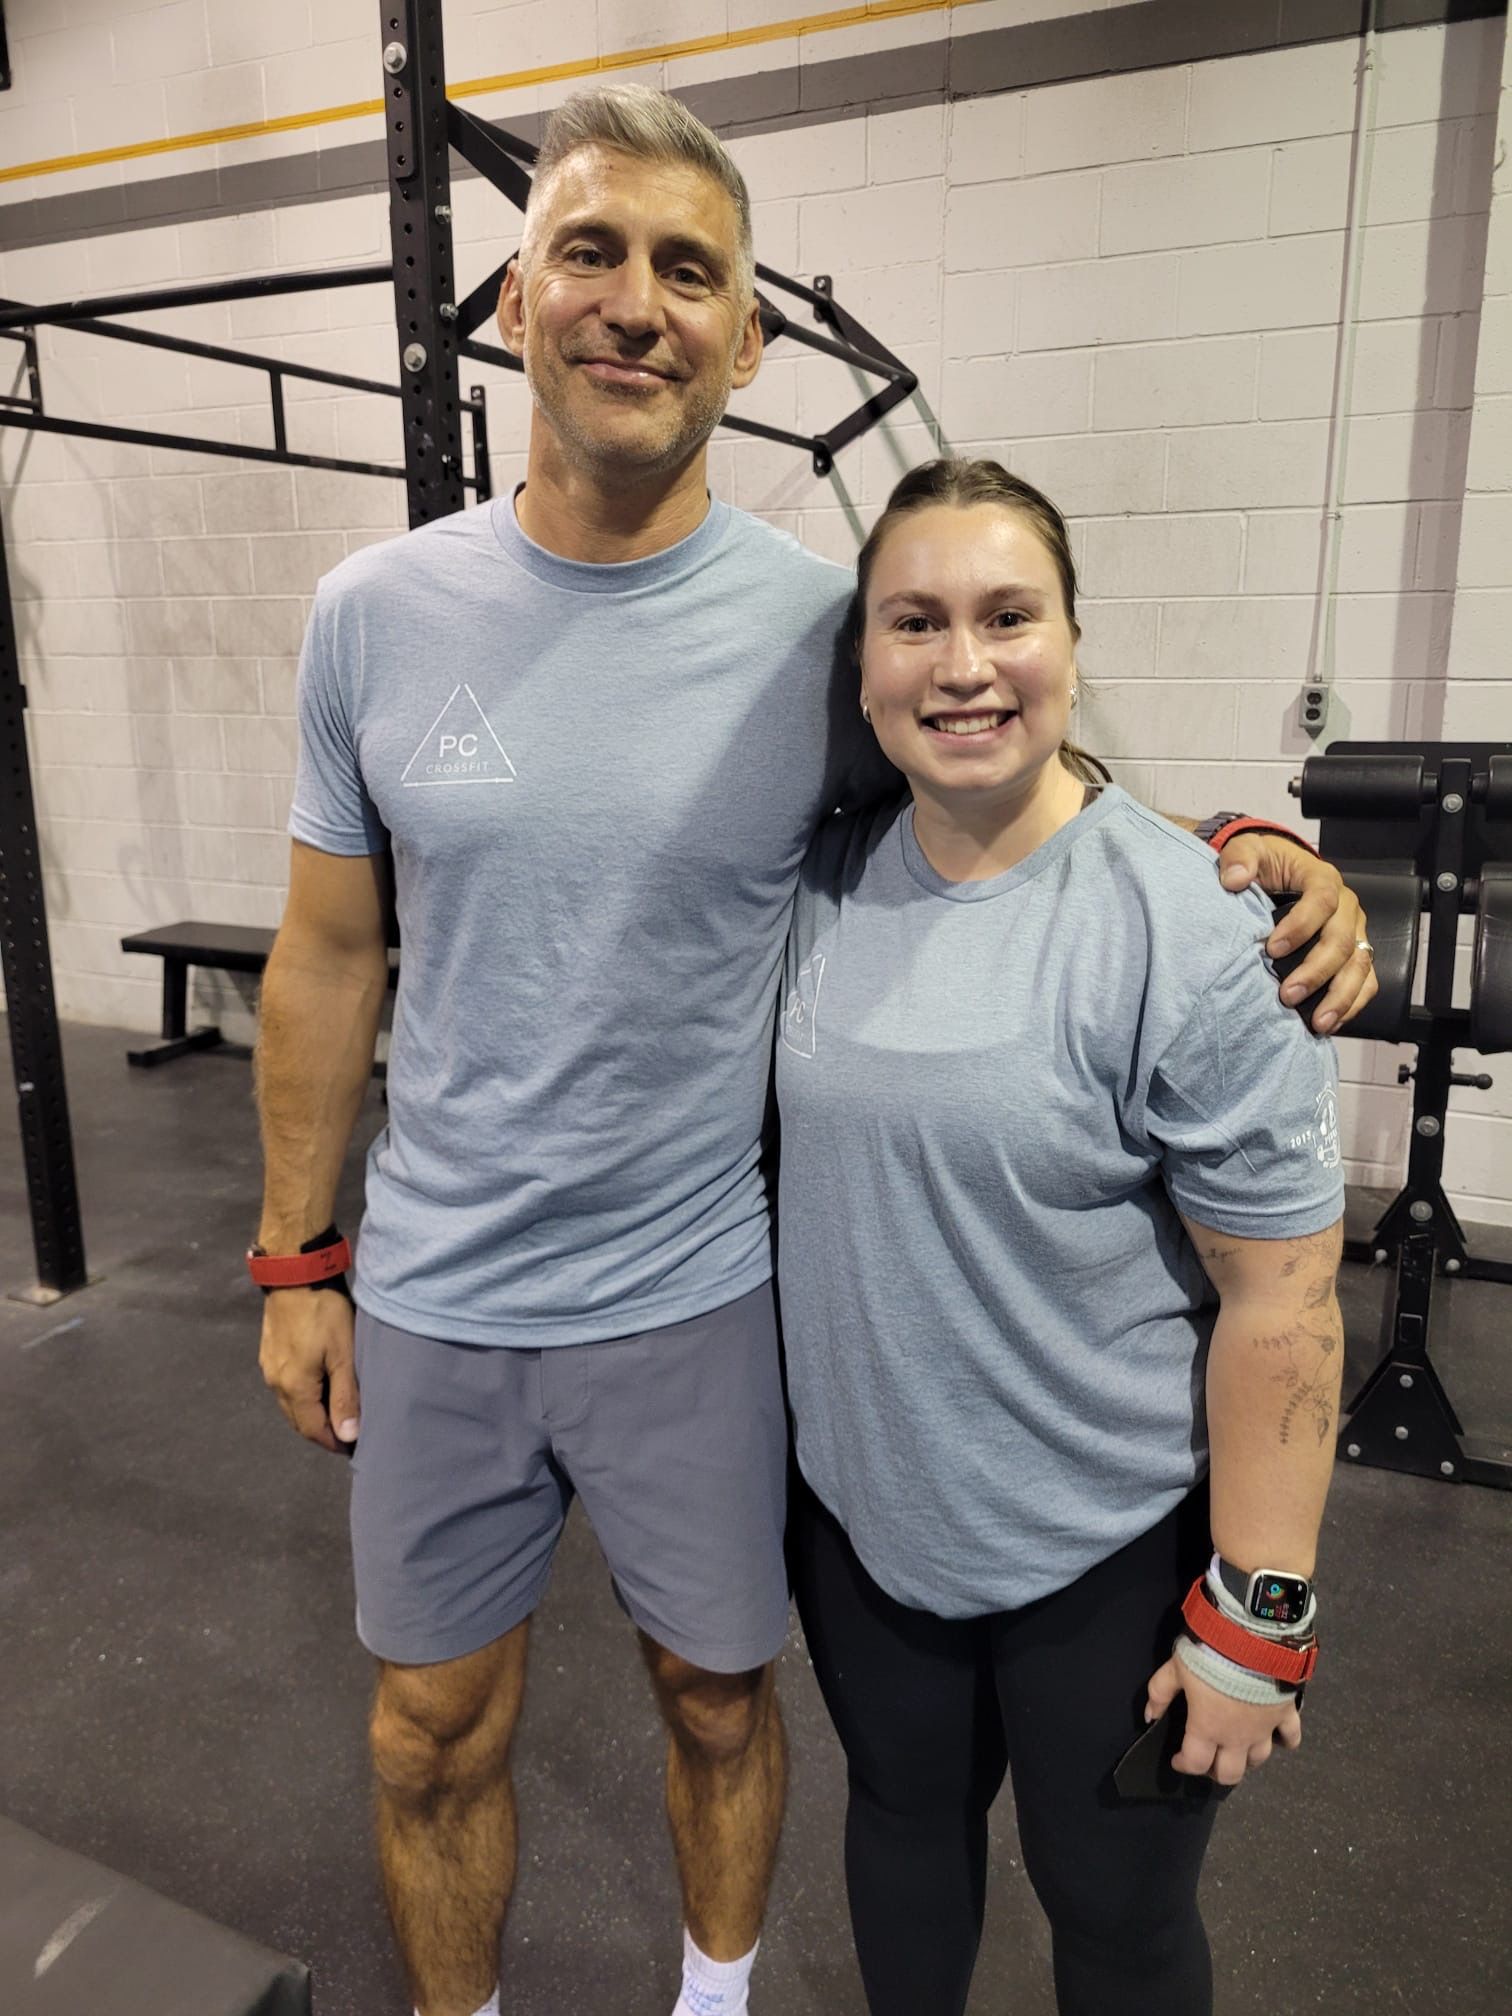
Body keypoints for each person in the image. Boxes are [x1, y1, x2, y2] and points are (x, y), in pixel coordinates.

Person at [252, 87, 1372, 2016]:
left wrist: (1224, 859)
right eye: (590, 253)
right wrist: (295, 1252)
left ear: (745, 340)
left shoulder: (805, 633)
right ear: (512, 298)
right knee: (426, 1729)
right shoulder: (372, 615)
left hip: (699, 1292)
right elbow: (330, 946)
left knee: (714, 1702)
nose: (635, 303)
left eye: (691, 270)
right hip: (439, 1285)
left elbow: (1006, 765)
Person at [778, 456, 1351, 2016]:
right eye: (916, 623)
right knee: (899, 1833)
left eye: (1006, 615)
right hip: (864, 1523)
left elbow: (1287, 1298)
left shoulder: (1195, 926)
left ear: (1072, 644)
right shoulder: (817, 881)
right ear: (865, 668)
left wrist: (1261, 1610)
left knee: (1113, 1916)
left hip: (1102, 1546)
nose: (964, 664)